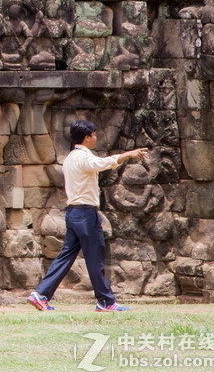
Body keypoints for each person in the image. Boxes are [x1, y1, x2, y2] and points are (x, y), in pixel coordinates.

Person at [28, 120, 147, 312]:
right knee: (95, 257)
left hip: (74, 213)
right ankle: (106, 301)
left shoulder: (69, 158)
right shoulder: (83, 158)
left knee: (66, 256)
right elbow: (102, 164)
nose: (96, 137)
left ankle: (41, 294)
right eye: (94, 134)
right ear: (87, 137)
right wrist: (127, 155)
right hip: (85, 213)